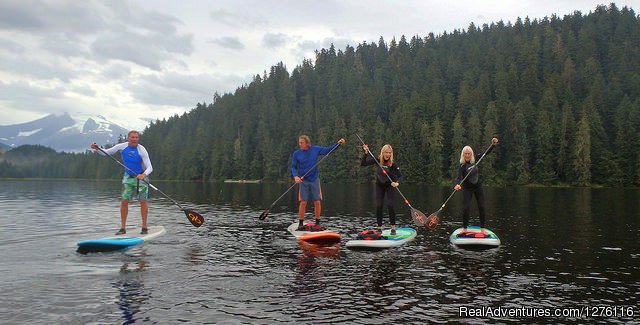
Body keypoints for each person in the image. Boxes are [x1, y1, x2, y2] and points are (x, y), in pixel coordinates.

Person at [91, 130, 153, 235]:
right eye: (132, 137)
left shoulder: (141, 150)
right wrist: (97, 149)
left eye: (136, 137)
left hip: (141, 177)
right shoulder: (122, 146)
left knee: (143, 201)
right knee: (124, 201)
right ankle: (123, 228)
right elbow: (106, 152)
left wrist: (144, 175)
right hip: (128, 177)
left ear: (138, 139)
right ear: (128, 138)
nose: (134, 139)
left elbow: (150, 167)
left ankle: (144, 227)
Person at [291, 135, 345, 230]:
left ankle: (317, 223)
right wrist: (295, 176)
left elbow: (328, 150)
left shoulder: (315, 149)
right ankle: (300, 223)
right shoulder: (296, 154)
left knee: (317, 201)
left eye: (301, 142)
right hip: (303, 180)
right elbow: (293, 167)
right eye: (299, 142)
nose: (300, 144)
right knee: (303, 202)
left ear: (307, 143)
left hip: (314, 179)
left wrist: (338, 143)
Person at [454, 137, 499, 234]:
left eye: (468, 154)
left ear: (471, 154)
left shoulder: (476, 159)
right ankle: (465, 228)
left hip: (477, 187)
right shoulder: (462, 166)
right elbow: (458, 178)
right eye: (465, 154)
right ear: (463, 154)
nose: (467, 155)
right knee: (466, 208)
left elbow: (486, 153)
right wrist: (457, 185)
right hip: (467, 188)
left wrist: (493, 144)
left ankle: (482, 228)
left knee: (482, 206)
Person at [360, 143, 401, 235]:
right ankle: (379, 228)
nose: (387, 154)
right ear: (382, 153)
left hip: (390, 185)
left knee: (390, 205)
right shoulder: (377, 160)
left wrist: (397, 183)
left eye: (389, 153)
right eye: (386, 152)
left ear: (391, 154)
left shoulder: (393, 164)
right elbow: (363, 164)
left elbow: (400, 175)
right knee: (379, 206)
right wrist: (366, 153)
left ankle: (393, 228)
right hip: (379, 186)